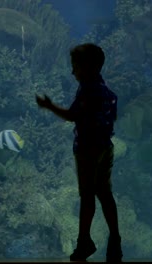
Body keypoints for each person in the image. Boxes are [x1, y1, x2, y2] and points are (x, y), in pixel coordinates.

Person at [36, 43, 122, 262]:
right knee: (105, 194)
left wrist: (49, 105)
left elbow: (73, 115)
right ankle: (115, 242)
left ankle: (84, 242)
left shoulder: (88, 89)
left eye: (76, 66)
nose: (73, 71)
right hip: (105, 147)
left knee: (87, 196)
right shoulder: (103, 88)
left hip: (88, 149)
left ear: (89, 67)